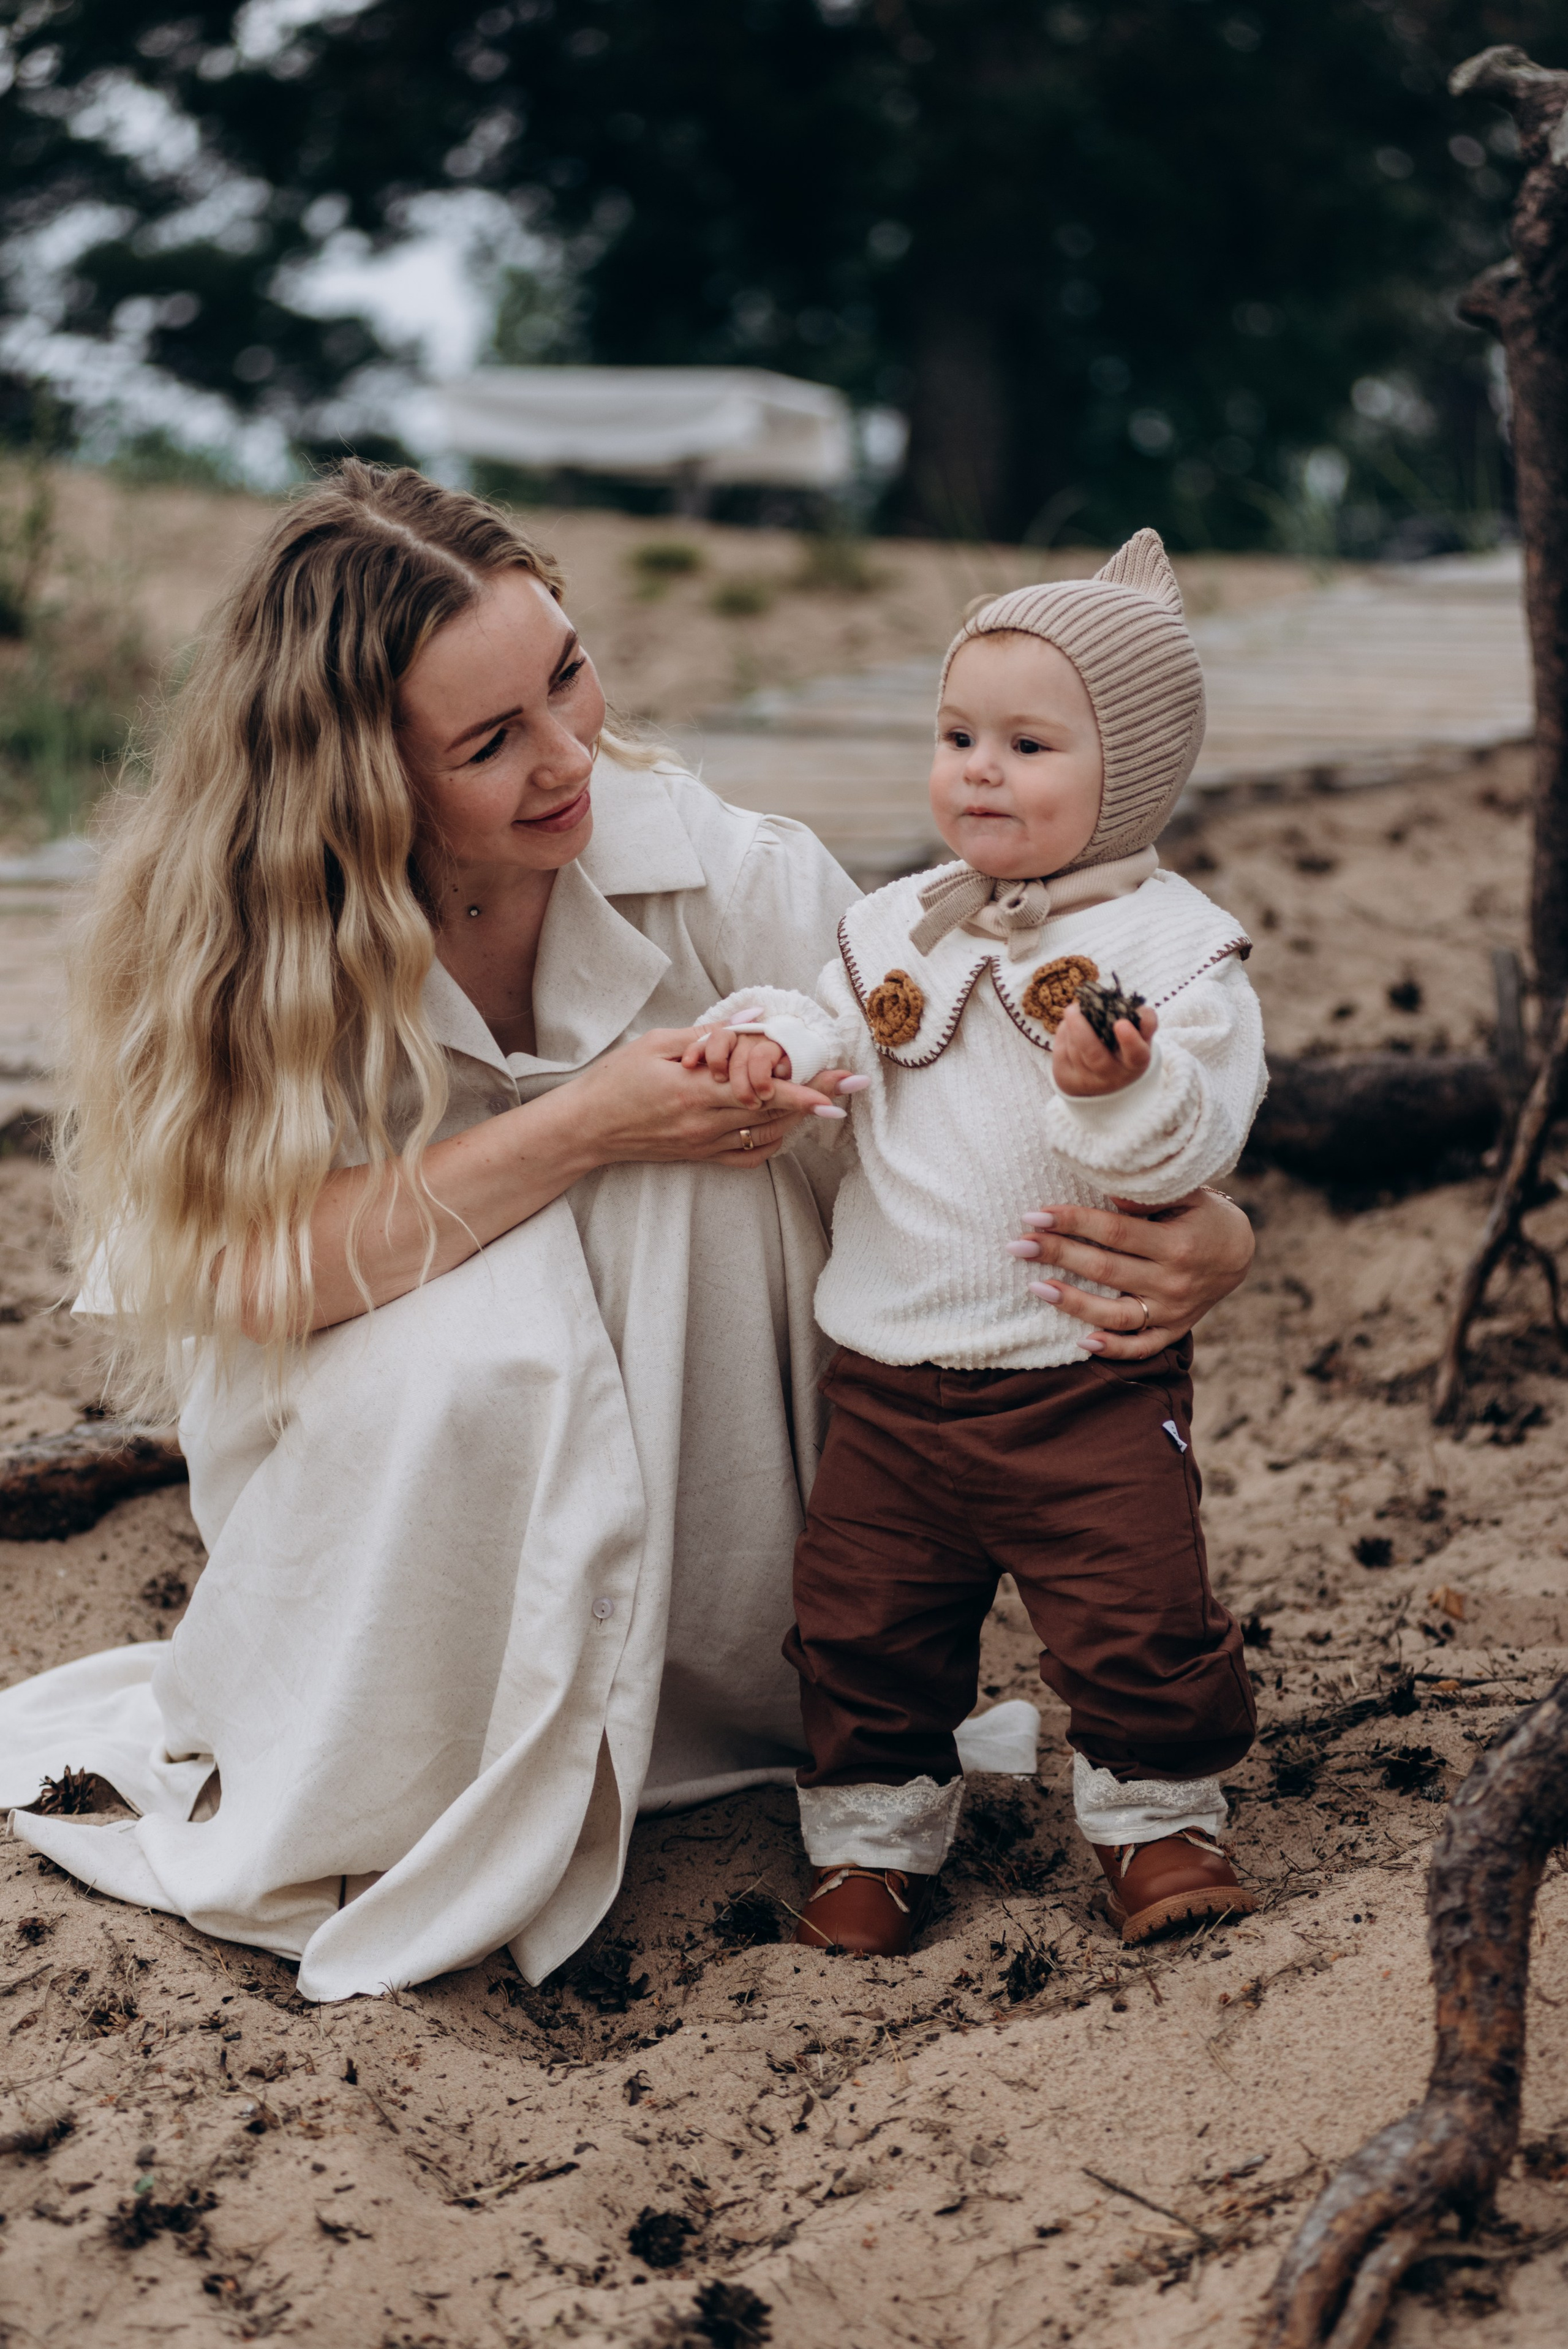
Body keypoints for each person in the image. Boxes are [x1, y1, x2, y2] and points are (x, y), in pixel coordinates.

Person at [0, 470, 1256, 2002]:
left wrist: (1216, 1235)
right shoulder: (253, 944)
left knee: (716, 1150)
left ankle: (745, 1710)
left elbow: (964, 1102)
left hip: (737, 1464)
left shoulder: (711, 866)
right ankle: (450, 1743)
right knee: (527, 1299)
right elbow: (232, 1275)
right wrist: (585, 1123)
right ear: (360, 785)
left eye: (568, 673)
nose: (567, 748)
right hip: (410, 1470)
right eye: (488, 742)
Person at [686, 531, 1266, 1956]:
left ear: (1126, 768)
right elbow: (834, 1014)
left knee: (1134, 1612)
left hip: (1080, 1374)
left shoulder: (1177, 947)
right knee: (864, 1630)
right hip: (886, 1378)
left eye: (1025, 742)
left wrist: (1119, 1086)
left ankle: (1156, 1820)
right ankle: (874, 1843)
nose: (979, 770)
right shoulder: (898, 922)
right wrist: (772, 1038)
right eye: (956, 735)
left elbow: (1201, 1134)